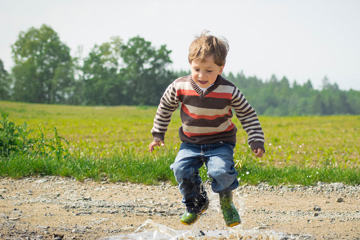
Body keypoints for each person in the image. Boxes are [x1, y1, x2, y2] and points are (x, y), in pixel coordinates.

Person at [148, 31, 265, 227]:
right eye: (197, 69)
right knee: (180, 169)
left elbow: (247, 114)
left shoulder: (229, 90)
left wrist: (256, 139)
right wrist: (158, 134)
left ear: (221, 68)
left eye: (209, 70)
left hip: (220, 143)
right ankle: (196, 204)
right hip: (190, 143)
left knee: (220, 172)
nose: (202, 75)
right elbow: (165, 107)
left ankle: (227, 203)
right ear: (190, 64)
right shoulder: (179, 86)